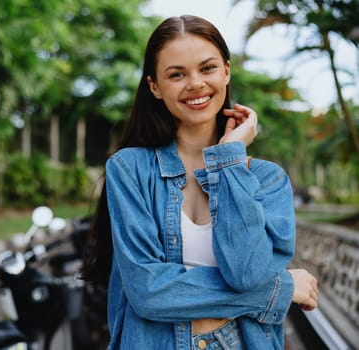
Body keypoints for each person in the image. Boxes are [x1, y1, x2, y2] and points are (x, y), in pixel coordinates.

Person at [80, 15, 318, 350]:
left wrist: (230, 159)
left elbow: (247, 274)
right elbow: (149, 292)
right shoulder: (130, 169)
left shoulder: (268, 180)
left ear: (226, 72)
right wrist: (277, 290)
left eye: (207, 68)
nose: (195, 83)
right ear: (154, 86)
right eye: (177, 74)